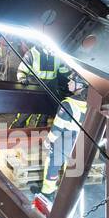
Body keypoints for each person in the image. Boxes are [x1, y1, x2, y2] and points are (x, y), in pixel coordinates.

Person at [40, 74, 90, 202]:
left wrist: (48, 140)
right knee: (73, 167)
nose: (68, 83)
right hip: (81, 139)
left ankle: (47, 193)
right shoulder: (92, 104)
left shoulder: (68, 104)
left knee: (53, 164)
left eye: (71, 81)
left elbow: (57, 127)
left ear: (80, 85)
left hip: (65, 139)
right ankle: (68, 196)